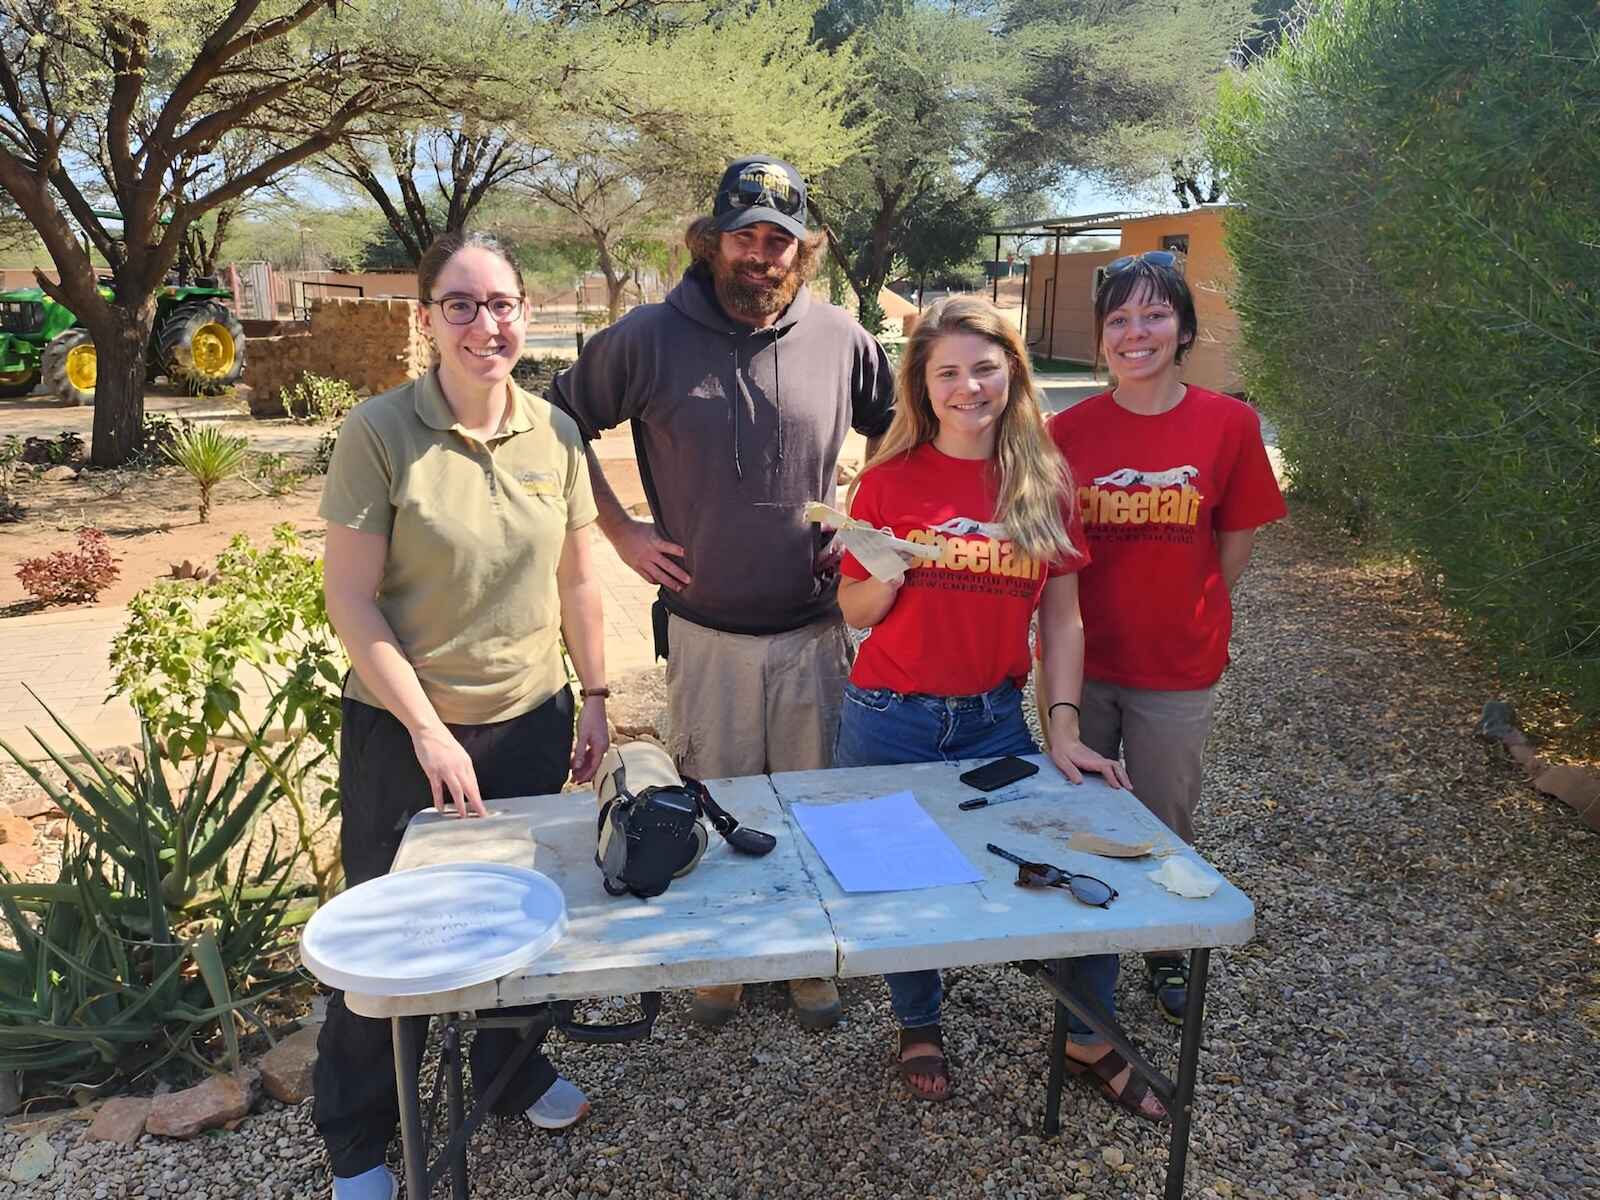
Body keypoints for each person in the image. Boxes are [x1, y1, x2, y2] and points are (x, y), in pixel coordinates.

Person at [550, 155, 895, 1031]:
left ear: (803, 251)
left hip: (815, 628)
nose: (762, 255)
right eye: (744, 236)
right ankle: (727, 958)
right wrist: (621, 529)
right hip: (704, 629)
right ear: (712, 243)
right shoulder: (649, 336)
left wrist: (863, 522)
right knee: (715, 794)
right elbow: (557, 423)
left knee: (812, 799)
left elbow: (907, 431)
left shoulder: (841, 338)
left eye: (780, 240)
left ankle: (811, 960)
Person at [314, 231, 611, 1200]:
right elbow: (349, 601)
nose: (487, 325)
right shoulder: (379, 434)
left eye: (503, 304)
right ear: (428, 318)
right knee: (391, 941)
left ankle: (511, 1073)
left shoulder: (555, 435)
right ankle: (357, 1134)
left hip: (529, 722)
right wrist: (430, 730)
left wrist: (597, 695)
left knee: (521, 929)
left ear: (526, 311)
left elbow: (578, 580)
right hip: (405, 735)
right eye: (462, 304)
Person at [831, 295, 1154, 1116]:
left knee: (1070, 867)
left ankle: (1088, 1035)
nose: (969, 387)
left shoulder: (1042, 480)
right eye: (948, 373)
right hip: (889, 716)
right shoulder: (886, 482)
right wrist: (887, 572)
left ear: (1012, 370)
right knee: (899, 883)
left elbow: (1063, 616)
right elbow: (855, 614)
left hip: (995, 720)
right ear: (922, 386)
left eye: (984, 367)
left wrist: (1067, 728)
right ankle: (919, 1023)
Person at [1045, 250, 1286, 1027]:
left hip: (1178, 667)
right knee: (1080, 812)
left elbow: (1235, 541)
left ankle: (1165, 944)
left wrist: (1193, 607)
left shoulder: (1228, 424)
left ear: (1183, 327)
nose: (1135, 332)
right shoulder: (1066, 432)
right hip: (1082, 663)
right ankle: (1089, 947)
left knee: (1163, 812)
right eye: (1119, 319)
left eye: (1154, 315)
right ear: (1101, 337)